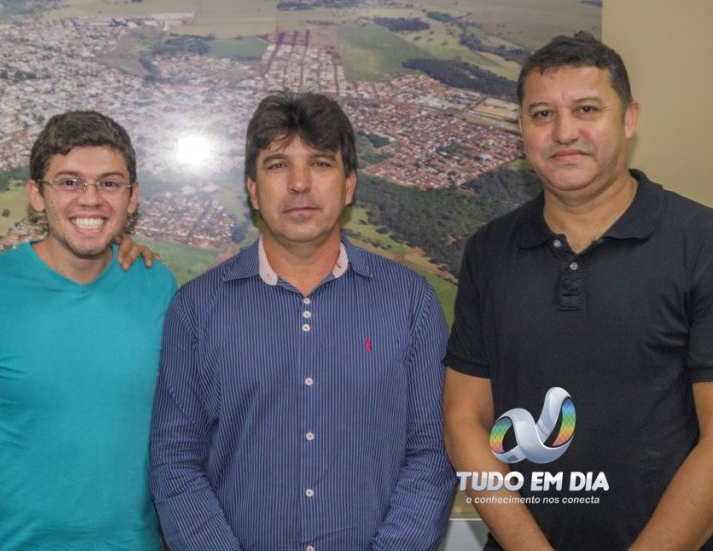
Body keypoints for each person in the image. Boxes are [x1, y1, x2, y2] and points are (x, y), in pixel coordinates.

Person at [443, 31, 713, 550]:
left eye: (587, 108)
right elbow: (463, 421)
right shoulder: (489, 251)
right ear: (520, 126)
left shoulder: (700, 243)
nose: (564, 132)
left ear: (629, 118)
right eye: (542, 114)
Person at [149, 92, 454, 550]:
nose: (298, 183)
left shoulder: (411, 303)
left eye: (320, 163)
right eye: (276, 165)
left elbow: (432, 455)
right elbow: (175, 461)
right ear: (252, 189)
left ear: (349, 184)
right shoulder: (196, 310)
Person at [0, 111, 177, 550]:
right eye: (69, 182)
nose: (91, 199)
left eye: (110, 183)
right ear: (36, 195)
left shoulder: (158, 284)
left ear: (132, 197)